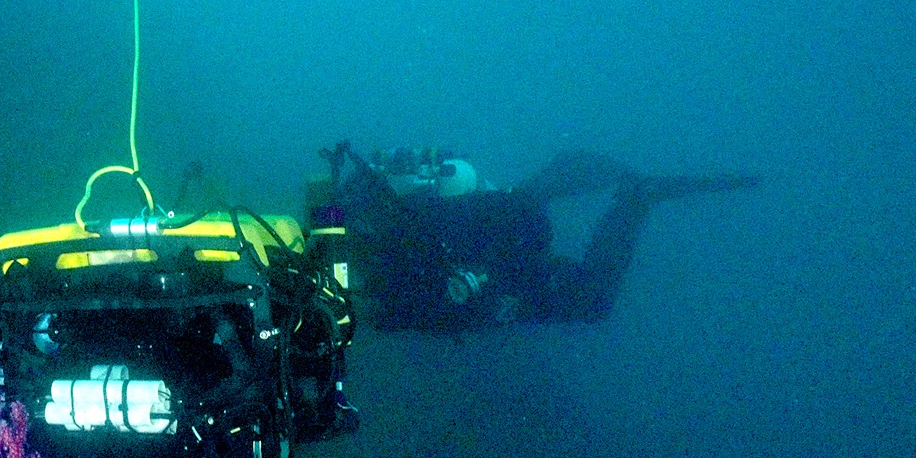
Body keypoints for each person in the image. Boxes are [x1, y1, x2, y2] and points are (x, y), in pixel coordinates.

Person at [311, 142, 759, 334]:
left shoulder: (368, 249)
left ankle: (636, 197)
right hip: (486, 251)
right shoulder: (367, 222)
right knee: (583, 296)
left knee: (589, 302)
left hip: (488, 266)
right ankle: (633, 196)